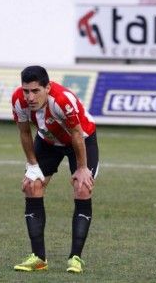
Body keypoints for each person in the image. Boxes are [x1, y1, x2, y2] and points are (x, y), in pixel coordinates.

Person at [11, 65, 99, 273]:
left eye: (35, 91)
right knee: (32, 186)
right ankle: (38, 258)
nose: (30, 97)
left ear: (47, 88)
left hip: (81, 140)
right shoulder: (18, 100)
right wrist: (32, 165)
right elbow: (24, 133)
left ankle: (75, 258)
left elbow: (77, 134)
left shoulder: (62, 100)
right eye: (26, 91)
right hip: (48, 141)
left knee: (82, 187)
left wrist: (82, 168)